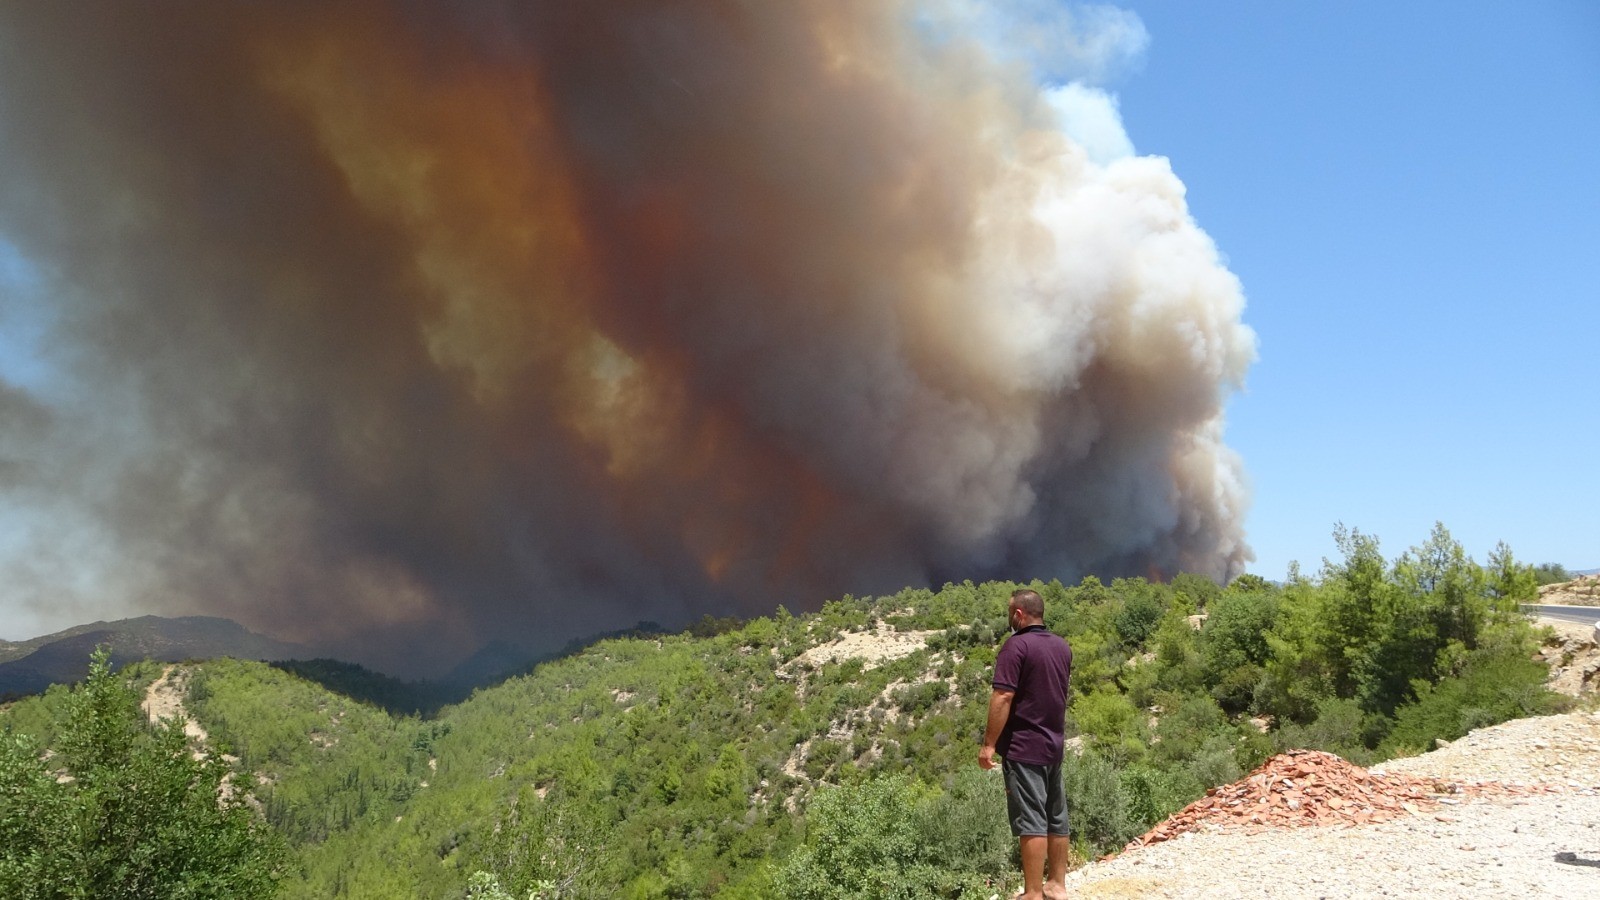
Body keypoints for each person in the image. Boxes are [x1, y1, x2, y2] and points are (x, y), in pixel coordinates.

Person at [979, 588, 1074, 900]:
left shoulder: (1015, 647)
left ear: (1018, 614)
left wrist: (989, 744)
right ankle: (1057, 885)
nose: (1009, 617)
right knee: (1056, 817)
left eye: (1010, 612)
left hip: (1024, 748)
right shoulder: (1062, 646)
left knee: (1031, 820)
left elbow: (1002, 696)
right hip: (1054, 744)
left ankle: (1032, 893)